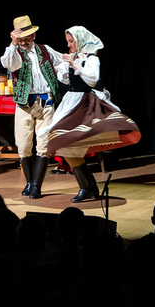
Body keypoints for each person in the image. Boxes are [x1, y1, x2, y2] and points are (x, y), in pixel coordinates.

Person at [45, 26, 141, 202]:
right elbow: (65, 79)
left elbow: (92, 79)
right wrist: (66, 65)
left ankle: (88, 187)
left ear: (80, 40)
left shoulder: (91, 59)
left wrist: (75, 64)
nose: (69, 45)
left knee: (65, 141)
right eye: (68, 41)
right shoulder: (75, 58)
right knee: (62, 143)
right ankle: (88, 186)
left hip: (85, 103)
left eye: (72, 41)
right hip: (71, 101)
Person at [0, 15, 66, 198]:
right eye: (20, 39)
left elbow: (62, 62)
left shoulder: (45, 50)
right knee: (23, 145)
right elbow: (8, 63)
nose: (23, 42)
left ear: (33, 36)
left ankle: (36, 185)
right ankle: (29, 182)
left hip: (46, 104)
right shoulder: (15, 53)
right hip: (24, 105)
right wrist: (12, 44)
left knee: (43, 146)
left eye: (26, 38)